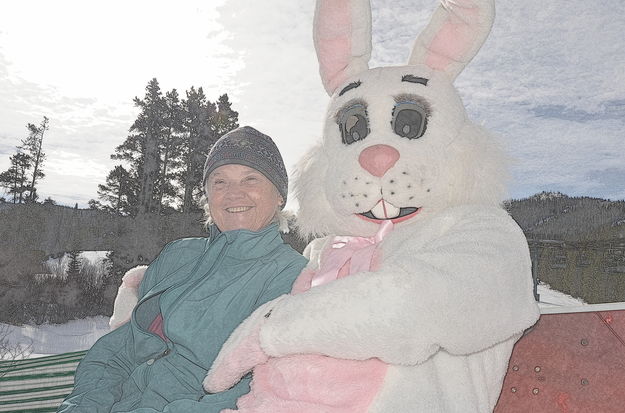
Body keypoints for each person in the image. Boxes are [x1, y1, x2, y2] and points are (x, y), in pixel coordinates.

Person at [58, 126, 308, 413]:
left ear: (279, 196)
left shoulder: (293, 276)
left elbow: (258, 390)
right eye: (220, 182)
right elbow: (120, 350)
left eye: (250, 179)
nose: (233, 194)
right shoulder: (178, 255)